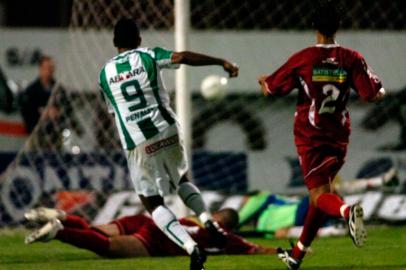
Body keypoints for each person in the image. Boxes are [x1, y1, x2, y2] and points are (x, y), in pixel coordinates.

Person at [97, 18, 239, 270]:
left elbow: (113, 113)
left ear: (114, 43)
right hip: (168, 129)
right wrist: (221, 62)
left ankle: (191, 247)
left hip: (138, 142)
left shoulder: (104, 75)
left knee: (154, 204)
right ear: (139, 40)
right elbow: (183, 56)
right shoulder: (149, 56)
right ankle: (207, 219)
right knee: (181, 179)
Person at [257, 1, 385, 269]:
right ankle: (297, 255)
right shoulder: (351, 58)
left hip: (311, 138)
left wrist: (263, 81)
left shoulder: (304, 59)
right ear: (339, 26)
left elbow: (272, 89)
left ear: (314, 26)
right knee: (321, 192)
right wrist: (380, 91)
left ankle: (347, 212)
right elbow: (372, 94)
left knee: (319, 195)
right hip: (339, 138)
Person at [24, 207, 276, 257]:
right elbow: (256, 249)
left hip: (149, 218)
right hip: (160, 235)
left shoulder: (197, 215)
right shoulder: (224, 236)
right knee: (108, 248)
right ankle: (59, 231)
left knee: (93, 231)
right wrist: (283, 250)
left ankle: (64, 218)